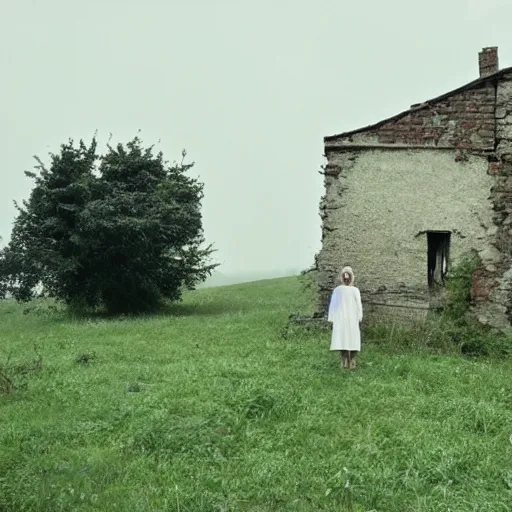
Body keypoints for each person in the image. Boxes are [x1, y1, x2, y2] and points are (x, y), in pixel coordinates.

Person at [327, 266, 363, 370]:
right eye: (344, 277)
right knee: (342, 339)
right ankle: (344, 360)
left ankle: (352, 360)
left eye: (348, 276)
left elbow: (358, 304)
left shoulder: (355, 290)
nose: (346, 279)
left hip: (352, 318)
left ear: (352, 277)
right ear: (342, 278)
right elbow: (333, 304)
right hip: (341, 318)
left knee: (353, 340)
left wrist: (359, 316)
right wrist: (332, 317)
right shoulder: (337, 290)